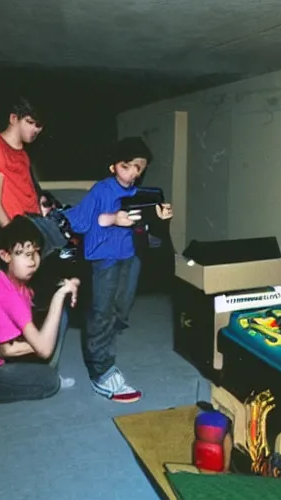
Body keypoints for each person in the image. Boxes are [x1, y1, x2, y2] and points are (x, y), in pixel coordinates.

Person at [63, 137, 173, 403]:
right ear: (113, 166)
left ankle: (103, 351)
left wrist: (160, 218)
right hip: (104, 260)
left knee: (121, 309)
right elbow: (77, 221)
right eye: (127, 166)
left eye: (139, 168)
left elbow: (148, 230)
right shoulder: (101, 191)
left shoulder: (140, 195)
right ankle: (101, 370)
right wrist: (112, 219)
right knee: (102, 312)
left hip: (130, 257)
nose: (133, 173)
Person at [0, 215, 80, 404]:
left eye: (35, 252)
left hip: (6, 358)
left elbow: (45, 286)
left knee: (58, 315)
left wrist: (68, 284)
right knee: (50, 381)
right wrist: (42, 342)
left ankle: (41, 366)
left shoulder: (16, 282)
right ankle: (46, 374)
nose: (33, 261)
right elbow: (6, 351)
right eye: (23, 254)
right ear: (5, 255)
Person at [0, 97, 44, 228]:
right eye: (30, 122)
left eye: (39, 125)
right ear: (13, 119)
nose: (36, 130)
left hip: (34, 226)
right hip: (17, 231)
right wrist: (12, 235)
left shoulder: (24, 154)